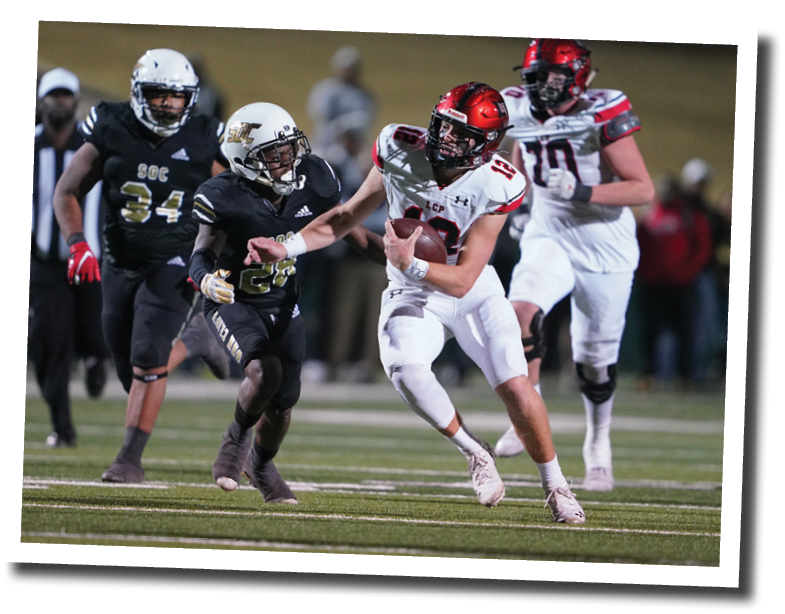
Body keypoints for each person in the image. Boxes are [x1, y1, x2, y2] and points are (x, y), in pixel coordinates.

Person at [245, 82, 586, 523]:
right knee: (404, 368)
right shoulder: (398, 148)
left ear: (487, 144)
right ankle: (474, 452)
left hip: (472, 288)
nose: (447, 139)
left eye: (462, 136)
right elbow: (347, 217)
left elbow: (463, 280)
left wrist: (411, 263)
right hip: (411, 290)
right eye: (444, 126)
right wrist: (286, 247)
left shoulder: (499, 182)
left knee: (515, 383)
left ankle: (555, 484)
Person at [188, 102, 385, 503]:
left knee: (283, 404)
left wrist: (400, 261)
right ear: (245, 158)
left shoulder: (315, 177)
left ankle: (260, 465)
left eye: (289, 149)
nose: (288, 160)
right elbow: (202, 252)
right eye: (274, 155)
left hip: (283, 299)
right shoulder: (223, 195)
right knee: (264, 370)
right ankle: (235, 443)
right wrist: (206, 281)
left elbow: (345, 227)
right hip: (234, 298)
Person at [53, 48, 230, 483]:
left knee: (148, 354)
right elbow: (67, 191)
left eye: (177, 96)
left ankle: (129, 458)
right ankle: (196, 341)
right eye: (158, 94)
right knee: (127, 363)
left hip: (175, 257)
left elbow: (233, 201)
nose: (168, 104)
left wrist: (221, 259)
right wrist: (77, 244)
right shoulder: (111, 125)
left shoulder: (206, 136)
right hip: (119, 256)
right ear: (137, 92)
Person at [493, 39, 655, 493]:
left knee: (593, 361)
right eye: (538, 76)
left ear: (579, 77)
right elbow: (522, 150)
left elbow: (642, 189)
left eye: (556, 76)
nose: (546, 85)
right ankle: (528, 410)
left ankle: (597, 443)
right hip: (550, 231)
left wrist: (582, 191)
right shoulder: (518, 107)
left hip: (605, 242)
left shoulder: (600, 111)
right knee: (517, 314)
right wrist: (521, 201)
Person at [30, 68, 109, 448]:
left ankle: (96, 358)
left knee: (94, 334)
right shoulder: (28, 147)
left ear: (76, 100)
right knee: (49, 341)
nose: (59, 101)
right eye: (53, 94)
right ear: (42, 100)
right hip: (45, 262)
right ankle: (63, 428)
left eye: (66, 95)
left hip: (90, 259)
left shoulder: (93, 145)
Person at [635, 175, 713, 387]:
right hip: (653, 285)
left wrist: (688, 273)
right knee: (650, 332)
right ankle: (648, 375)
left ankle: (685, 377)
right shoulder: (650, 214)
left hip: (681, 285)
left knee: (685, 333)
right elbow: (639, 245)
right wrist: (644, 272)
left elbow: (702, 247)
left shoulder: (688, 215)